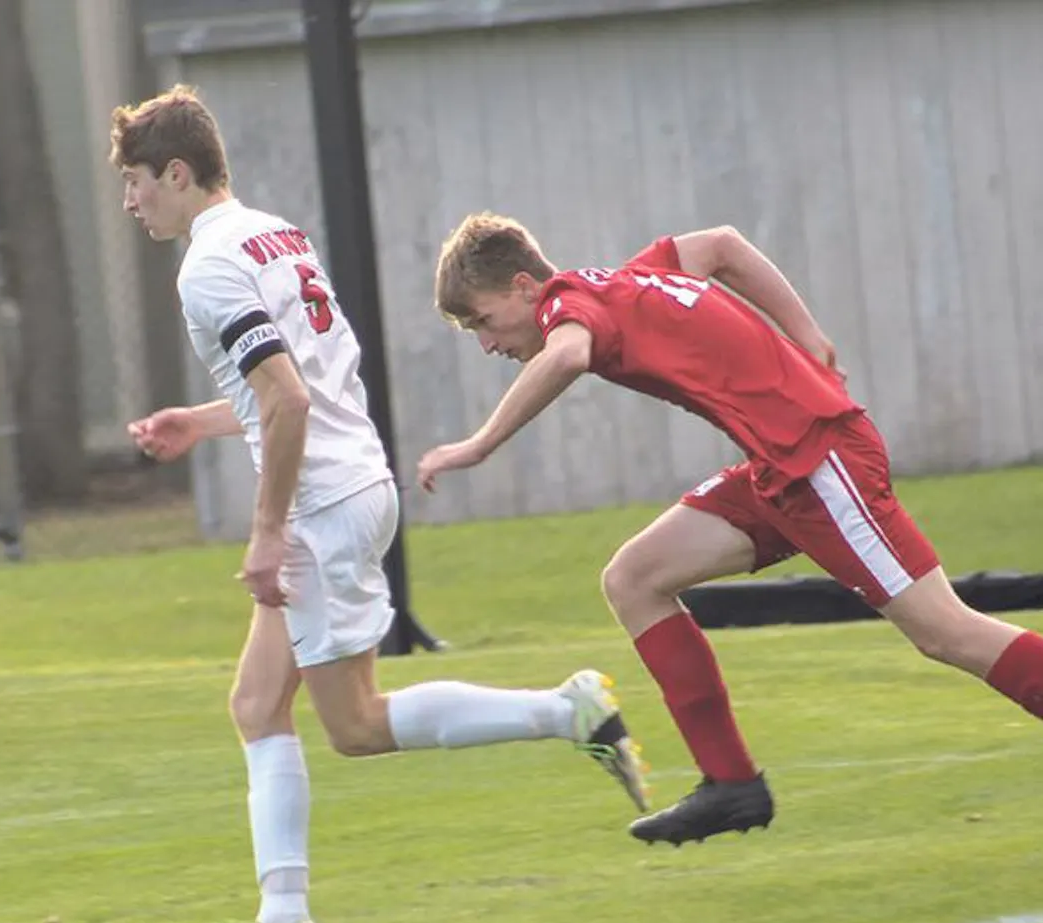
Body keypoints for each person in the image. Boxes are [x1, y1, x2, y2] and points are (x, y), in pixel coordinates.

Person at [109, 89, 650, 923]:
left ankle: (566, 711)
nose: (131, 202)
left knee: (355, 725)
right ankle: (284, 919)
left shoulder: (206, 267)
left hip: (322, 504)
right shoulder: (273, 231)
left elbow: (286, 398)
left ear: (177, 172)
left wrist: (267, 530)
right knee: (255, 703)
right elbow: (293, 387)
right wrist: (200, 420)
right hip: (355, 480)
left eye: (136, 182)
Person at [417, 213, 1043, 846]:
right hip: (780, 470)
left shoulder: (568, 309)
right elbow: (721, 245)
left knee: (945, 632)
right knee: (635, 578)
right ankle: (730, 785)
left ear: (525, 286)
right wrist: (810, 339)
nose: (488, 344)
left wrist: (479, 445)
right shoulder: (627, 279)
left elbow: (570, 353)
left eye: (483, 322)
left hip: (821, 464)